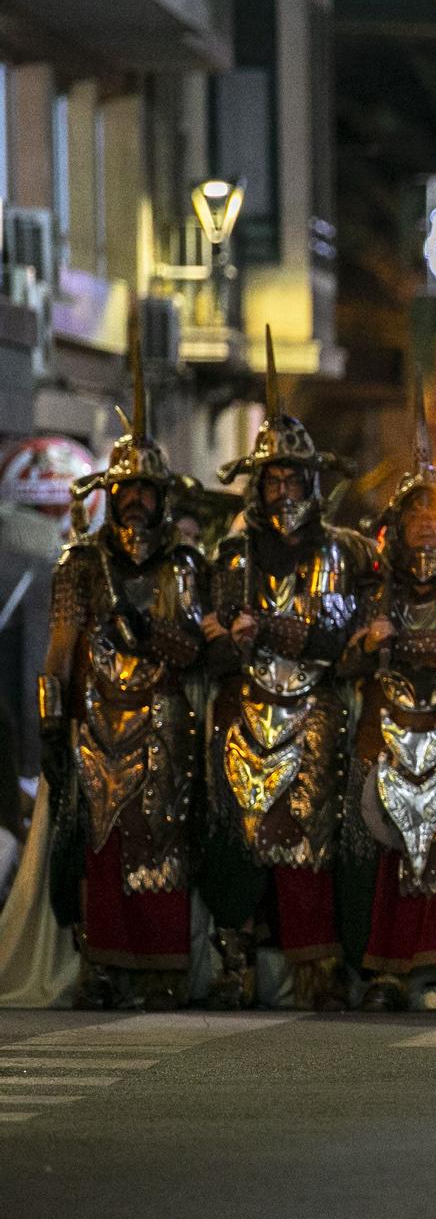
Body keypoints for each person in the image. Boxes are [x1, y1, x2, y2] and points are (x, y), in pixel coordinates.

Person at [202, 329, 370, 1011]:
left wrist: (264, 627)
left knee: (309, 838)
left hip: (314, 711)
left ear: (313, 482)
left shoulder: (340, 551)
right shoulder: (233, 553)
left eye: (293, 477)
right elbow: (214, 642)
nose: (282, 488)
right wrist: (224, 640)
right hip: (245, 707)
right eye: (271, 477)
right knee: (237, 837)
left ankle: (317, 970)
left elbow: (330, 636)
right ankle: (235, 965)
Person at [39, 340, 205, 1009]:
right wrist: (53, 721)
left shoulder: (184, 566)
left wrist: (150, 630)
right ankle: (99, 967)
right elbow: (58, 649)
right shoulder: (79, 565)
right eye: (125, 490)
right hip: (95, 724)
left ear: (162, 498)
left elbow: (193, 647)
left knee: (159, 846)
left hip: (161, 727)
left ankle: (162, 969)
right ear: (109, 495)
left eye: (145, 490)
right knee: (98, 851)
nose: (135, 501)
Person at [337, 382, 436, 1012]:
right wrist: (365, 643)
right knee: (387, 852)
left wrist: (394, 641)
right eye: (415, 515)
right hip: (385, 736)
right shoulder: (374, 589)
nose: (427, 525)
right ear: (398, 527)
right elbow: (345, 659)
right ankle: (387, 971)